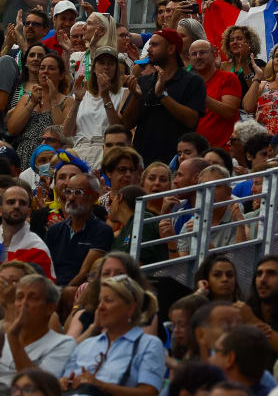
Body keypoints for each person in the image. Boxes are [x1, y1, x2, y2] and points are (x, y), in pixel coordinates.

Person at [60, 276, 165, 396]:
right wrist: (63, 383)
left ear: (131, 308)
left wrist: (100, 385)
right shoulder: (86, 344)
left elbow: (149, 392)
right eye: (100, 301)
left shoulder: (148, 344)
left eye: (108, 300)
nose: (100, 307)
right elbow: (66, 378)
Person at [125, 29, 206, 165]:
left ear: (171, 49)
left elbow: (191, 120)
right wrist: (136, 97)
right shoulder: (143, 81)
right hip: (142, 163)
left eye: (155, 45)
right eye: (149, 45)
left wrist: (163, 95)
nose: (149, 50)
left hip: (176, 162)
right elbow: (127, 124)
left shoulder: (193, 81)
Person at [0, 274, 74, 386]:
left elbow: (38, 386)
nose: (23, 303)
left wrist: (13, 337)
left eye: (32, 297)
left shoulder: (63, 343)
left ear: (50, 308)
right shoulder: (2, 339)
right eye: (19, 297)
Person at [44, 171, 112, 288]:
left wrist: (61, 294)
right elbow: (44, 266)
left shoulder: (102, 231)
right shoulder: (54, 230)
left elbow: (85, 274)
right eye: (68, 191)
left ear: (94, 197)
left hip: (81, 290)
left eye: (78, 192)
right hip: (52, 289)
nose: (70, 197)